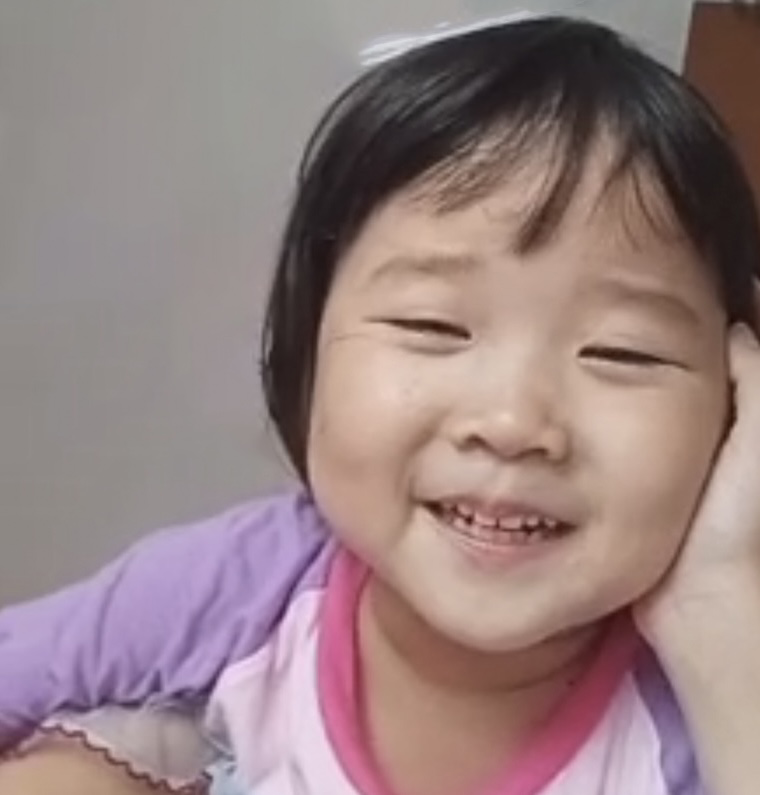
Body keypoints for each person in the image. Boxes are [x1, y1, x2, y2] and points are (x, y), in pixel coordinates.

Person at [1, 14, 760, 795]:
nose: (512, 423)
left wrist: (718, 611)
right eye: (434, 326)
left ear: (736, 402)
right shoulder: (251, 582)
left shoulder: (705, 705)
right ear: (309, 340)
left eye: (621, 352)